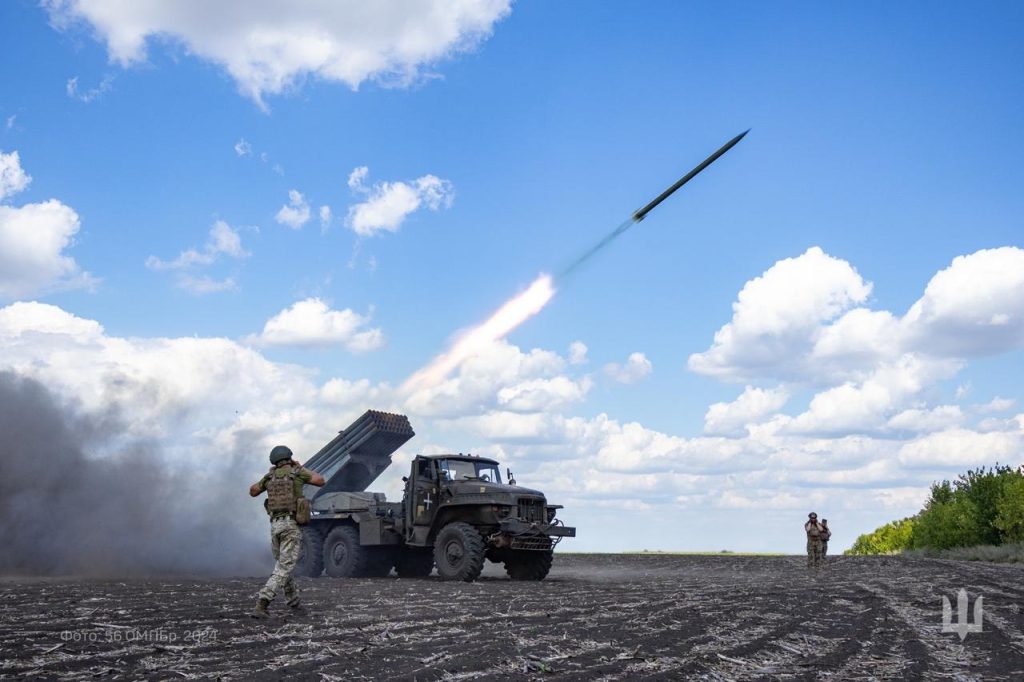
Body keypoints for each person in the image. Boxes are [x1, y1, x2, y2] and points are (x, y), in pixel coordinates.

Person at [249, 445, 325, 618]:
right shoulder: (297, 473)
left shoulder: (269, 477)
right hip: (290, 526)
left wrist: (268, 476)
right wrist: (299, 467)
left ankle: (295, 604)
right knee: (284, 568)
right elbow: (320, 480)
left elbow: (253, 491)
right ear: (289, 458)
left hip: (275, 527)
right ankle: (262, 603)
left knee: (284, 567)